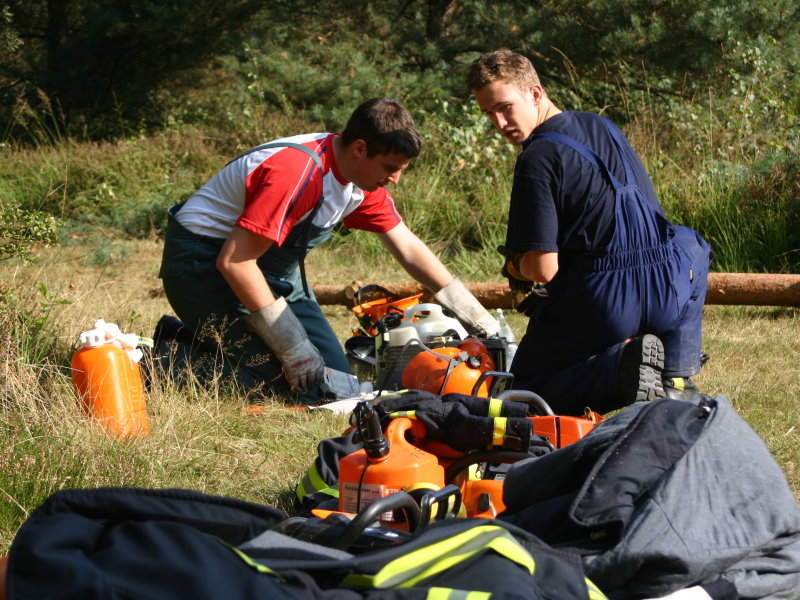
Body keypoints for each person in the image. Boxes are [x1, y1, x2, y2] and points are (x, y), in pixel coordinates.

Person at [156, 97, 498, 402]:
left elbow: (408, 248)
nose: (395, 179)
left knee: (330, 380)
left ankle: (191, 337)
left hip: (272, 272)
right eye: (390, 168)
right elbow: (235, 262)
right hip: (201, 268)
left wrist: (479, 319)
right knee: (287, 383)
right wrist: (294, 350)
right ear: (360, 149)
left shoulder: (361, 181)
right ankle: (156, 365)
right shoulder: (297, 173)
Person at [465, 49, 710, 416]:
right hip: (670, 286)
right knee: (690, 242)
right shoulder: (604, 126)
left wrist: (515, 269)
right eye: (489, 114)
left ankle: (622, 369)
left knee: (518, 398)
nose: (500, 124)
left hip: (607, 301)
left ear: (534, 93)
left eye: (505, 107)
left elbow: (542, 269)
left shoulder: (537, 157)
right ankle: (675, 376)